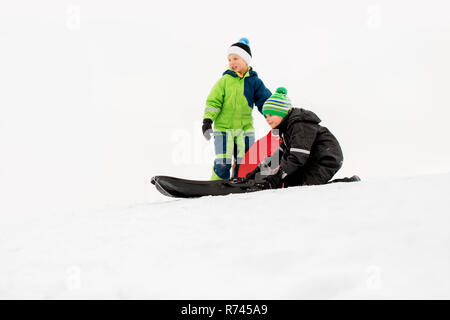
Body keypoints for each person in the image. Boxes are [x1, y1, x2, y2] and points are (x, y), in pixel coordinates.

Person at [246, 87, 359, 188]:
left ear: (282, 113)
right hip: (308, 159)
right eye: (265, 116)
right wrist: (257, 172)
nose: (267, 119)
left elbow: (297, 156)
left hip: (324, 158)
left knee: (307, 187)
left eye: (271, 115)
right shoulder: (286, 130)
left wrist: (278, 174)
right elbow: (278, 155)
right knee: (290, 185)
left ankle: (348, 183)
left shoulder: (299, 125)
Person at [202, 38, 272, 180]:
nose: (231, 62)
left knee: (245, 161)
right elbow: (213, 102)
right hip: (223, 128)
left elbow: (265, 101)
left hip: (245, 129)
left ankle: (240, 181)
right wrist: (208, 120)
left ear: (246, 61)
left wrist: (275, 116)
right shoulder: (224, 81)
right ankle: (217, 183)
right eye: (229, 59)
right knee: (223, 162)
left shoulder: (254, 82)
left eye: (235, 58)